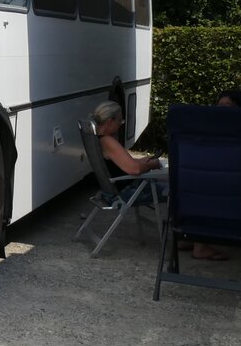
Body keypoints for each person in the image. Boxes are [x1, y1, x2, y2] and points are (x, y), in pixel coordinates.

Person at [90, 101, 227, 261]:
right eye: (120, 121)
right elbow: (134, 170)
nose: (120, 125)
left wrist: (142, 162)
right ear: (110, 121)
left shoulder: (97, 138)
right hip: (128, 191)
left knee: (181, 185)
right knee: (189, 190)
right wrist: (153, 165)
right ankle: (199, 245)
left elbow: (125, 164)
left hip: (115, 188)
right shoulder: (108, 141)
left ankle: (185, 238)